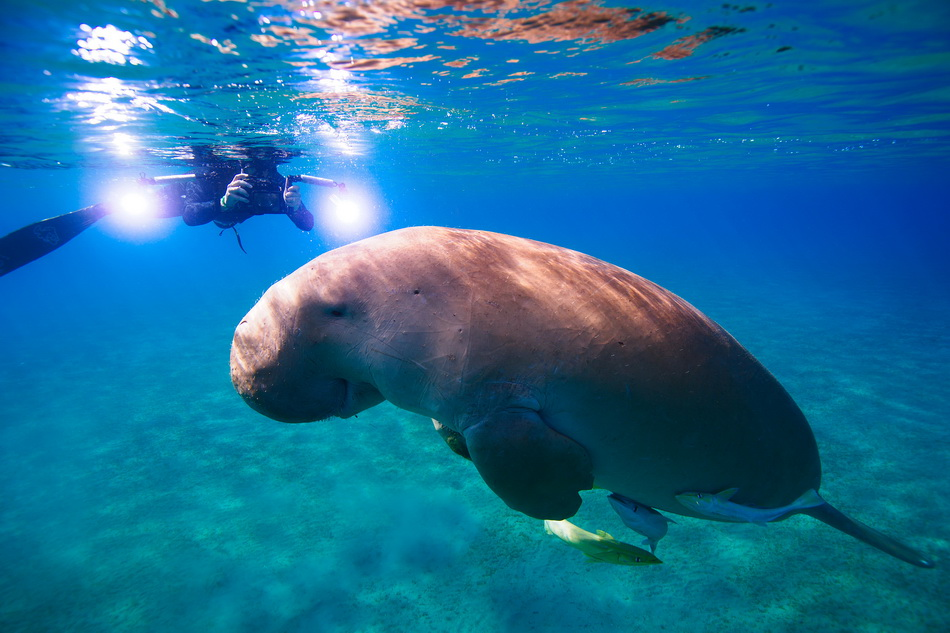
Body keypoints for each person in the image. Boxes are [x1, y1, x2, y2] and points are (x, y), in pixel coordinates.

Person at [0, 147, 314, 277]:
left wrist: (295, 207)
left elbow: (307, 224)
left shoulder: (272, 185)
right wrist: (222, 203)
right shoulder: (213, 176)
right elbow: (191, 215)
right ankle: (101, 210)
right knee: (132, 205)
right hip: (189, 198)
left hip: (214, 206)